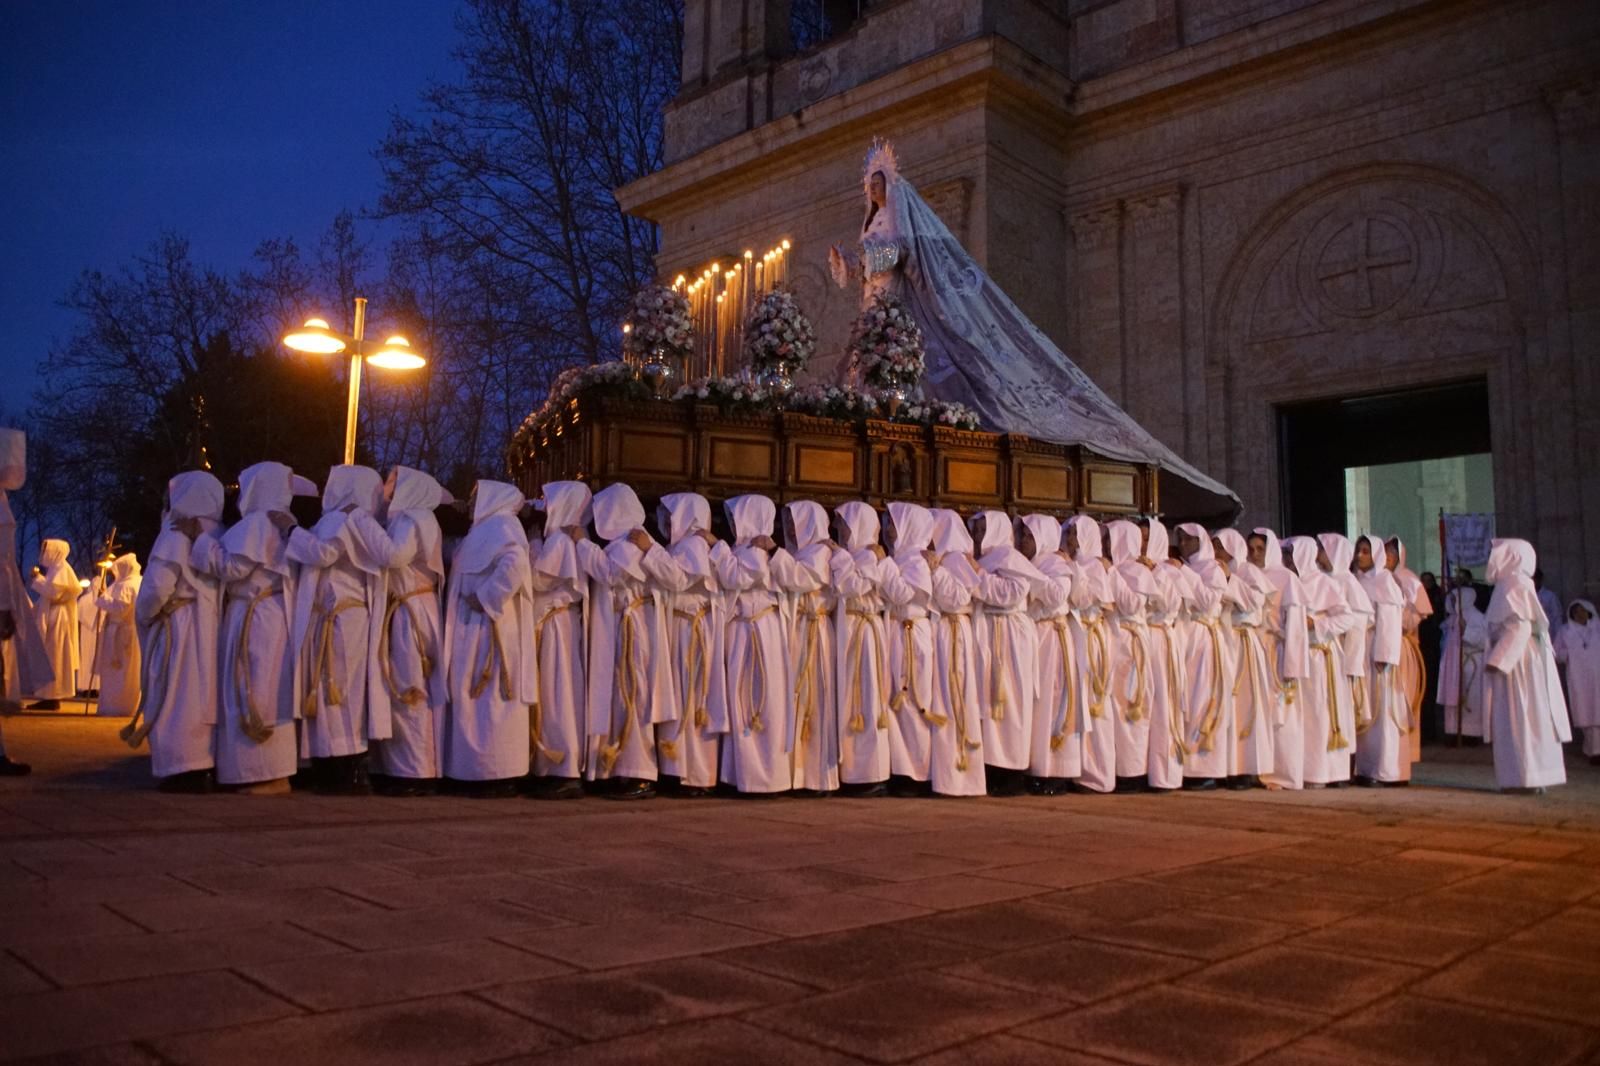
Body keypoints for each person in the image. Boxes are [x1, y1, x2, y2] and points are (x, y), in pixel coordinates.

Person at [189, 461, 301, 794]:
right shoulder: (279, 525)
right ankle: (273, 771)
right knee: (269, 690)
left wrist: (200, 541)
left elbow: (232, 567)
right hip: (269, 616)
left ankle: (258, 773)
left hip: (255, 618)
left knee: (252, 688)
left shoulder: (257, 524)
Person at [577, 482, 688, 799]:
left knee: (634, 695)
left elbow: (611, 574)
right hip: (625, 626)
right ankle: (620, 766)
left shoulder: (633, 541)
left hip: (633, 629)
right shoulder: (628, 541)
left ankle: (638, 772)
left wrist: (583, 545)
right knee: (623, 697)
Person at [287, 465, 390, 794]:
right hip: (342, 616)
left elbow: (324, 554)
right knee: (339, 688)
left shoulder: (342, 521)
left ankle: (339, 766)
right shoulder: (349, 521)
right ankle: (343, 764)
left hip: (341, 617)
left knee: (339, 688)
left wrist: (291, 530)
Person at [126, 471, 224, 792]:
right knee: (204, 697)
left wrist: (145, 615)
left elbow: (156, 588)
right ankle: (205, 764)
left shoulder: (175, 534)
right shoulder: (218, 535)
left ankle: (183, 767)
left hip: (179, 629)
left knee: (178, 696)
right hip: (212, 629)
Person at [444, 480, 538, 795]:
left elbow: (515, 565)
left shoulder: (504, 526)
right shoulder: (485, 529)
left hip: (493, 629)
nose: (471, 503)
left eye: (475, 497)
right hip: (474, 629)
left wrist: (485, 597)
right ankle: (473, 770)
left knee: (494, 698)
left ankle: (498, 773)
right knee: (474, 698)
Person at [367, 467, 451, 795]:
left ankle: (414, 771)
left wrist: (362, 523)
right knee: (406, 687)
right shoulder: (419, 518)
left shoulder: (412, 518)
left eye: (392, 482)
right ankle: (405, 766)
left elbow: (394, 555)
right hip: (412, 606)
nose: (386, 488)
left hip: (410, 610)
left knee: (409, 689)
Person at [654, 492, 729, 796]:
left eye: (670, 515)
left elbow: (677, 581)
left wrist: (649, 552)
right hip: (685, 626)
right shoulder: (682, 546)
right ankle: (682, 770)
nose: (666, 521)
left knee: (693, 697)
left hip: (690, 629)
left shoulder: (692, 546)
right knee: (688, 695)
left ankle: (694, 774)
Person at [770, 500, 845, 795]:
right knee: (796, 700)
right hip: (798, 630)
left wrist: (774, 554)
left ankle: (816, 777)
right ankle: (796, 774)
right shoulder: (797, 553)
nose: (789, 527)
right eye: (786, 520)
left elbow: (801, 579)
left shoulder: (821, 550)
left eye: (795, 520)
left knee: (817, 700)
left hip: (814, 631)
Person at [719, 494, 793, 795]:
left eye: (739, 517)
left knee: (764, 700)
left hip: (760, 630)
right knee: (739, 699)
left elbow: (736, 578)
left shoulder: (758, 552)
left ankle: (769, 776)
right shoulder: (744, 549)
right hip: (742, 629)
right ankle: (743, 774)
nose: (734, 524)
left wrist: (717, 548)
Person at [1484, 539, 1569, 792]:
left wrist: (1498, 661)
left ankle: (1527, 777)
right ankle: (1523, 777)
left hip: (1517, 664)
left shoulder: (1515, 585)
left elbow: (1519, 627)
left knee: (1522, 717)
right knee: (1521, 719)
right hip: (1518, 660)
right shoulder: (1509, 585)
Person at [970, 509, 1045, 796]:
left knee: (1011, 701)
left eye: (983, 530)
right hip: (989, 632)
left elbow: (1010, 593)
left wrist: (976, 577)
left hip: (1010, 635)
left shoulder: (1009, 558)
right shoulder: (981, 560)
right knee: (987, 702)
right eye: (975, 530)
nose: (978, 537)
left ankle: (1011, 769)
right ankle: (990, 766)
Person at [528, 480, 594, 798]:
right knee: (560, 693)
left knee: (558, 695)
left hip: (556, 627)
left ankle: (562, 767)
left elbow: (538, 580)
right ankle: (554, 764)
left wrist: (529, 545)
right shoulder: (565, 540)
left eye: (547, 499)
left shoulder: (558, 543)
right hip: (559, 623)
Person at [879, 502, 940, 795]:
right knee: (895, 699)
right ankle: (901, 768)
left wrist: (885, 565)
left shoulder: (916, 560)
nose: (887, 530)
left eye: (892, 523)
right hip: (897, 633)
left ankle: (918, 771)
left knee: (915, 699)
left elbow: (902, 594)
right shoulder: (901, 558)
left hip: (912, 633)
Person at [832, 500, 893, 795]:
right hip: (849, 629)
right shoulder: (858, 555)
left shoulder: (873, 555)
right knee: (847, 700)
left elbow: (850, 586)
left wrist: (839, 557)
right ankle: (851, 770)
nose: (838, 530)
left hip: (865, 632)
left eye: (844, 524)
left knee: (867, 700)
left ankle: (871, 774)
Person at [1286, 536, 1357, 789]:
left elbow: (1347, 617)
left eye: (1291, 554)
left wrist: (1316, 624)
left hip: (1320, 656)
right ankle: (1305, 769)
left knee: (1320, 714)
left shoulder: (1324, 583)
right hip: (1298, 656)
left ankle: (1327, 772)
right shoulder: (1290, 582)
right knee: (1303, 716)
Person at [1021, 514, 1085, 794]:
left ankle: (1057, 772)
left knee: (1055, 701)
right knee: (1036, 706)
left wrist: (1027, 577)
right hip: (1035, 636)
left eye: (1028, 536)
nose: (1023, 541)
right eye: (1021, 535)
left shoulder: (1056, 563)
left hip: (1053, 638)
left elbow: (1057, 595)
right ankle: (1036, 768)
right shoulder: (1029, 564)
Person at [1175, 523, 1239, 789]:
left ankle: (1206, 768)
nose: (1182, 544)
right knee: (1188, 700)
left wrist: (1185, 575)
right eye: (1180, 539)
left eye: (1188, 539)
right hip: (1188, 637)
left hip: (1205, 639)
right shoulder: (1183, 567)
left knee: (1205, 699)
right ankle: (1188, 766)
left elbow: (1209, 601)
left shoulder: (1212, 568)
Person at [926, 508, 985, 796]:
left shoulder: (955, 560)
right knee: (942, 697)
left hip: (954, 633)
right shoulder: (945, 559)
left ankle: (960, 774)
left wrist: (936, 571)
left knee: (956, 695)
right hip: (943, 632)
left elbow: (957, 597)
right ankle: (944, 773)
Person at [1252, 529, 1309, 790]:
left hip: (1276, 650)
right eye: (1250, 549)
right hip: (1253, 649)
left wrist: (1293, 664)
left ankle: (1284, 772)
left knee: (1282, 716)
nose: (1254, 554)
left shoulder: (1286, 578)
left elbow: (1296, 626)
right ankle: (1258, 768)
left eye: (1259, 549)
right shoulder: (1245, 573)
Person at [1215, 529, 1271, 788]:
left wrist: (1229, 580)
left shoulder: (1248, 572)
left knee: (1247, 706)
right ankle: (1228, 765)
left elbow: (1254, 603)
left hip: (1244, 643)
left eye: (1220, 547)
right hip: (1225, 642)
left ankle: (1248, 767)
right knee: (1226, 706)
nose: (1216, 552)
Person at [1065, 515, 1116, 793]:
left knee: (1096, 708)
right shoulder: (1080, 564)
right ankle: (1080, 770)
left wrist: (1072, 569)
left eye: (1073, 534)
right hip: (1079, 636)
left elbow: (1082, 599)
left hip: (1091, 637)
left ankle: (1098, 775)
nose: (1069, 540)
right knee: (1078, 705)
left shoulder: (1094, 565)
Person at [1104, 520, 1156, 790]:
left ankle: (1133, 773)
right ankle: (1116, 768)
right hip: (1115, 639)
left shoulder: (1138, 571)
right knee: (1114, 708)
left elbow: (1132, 603)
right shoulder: (1113, 568)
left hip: (1132, 643)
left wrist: (1111, 574)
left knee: (1132, 708)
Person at [1353, 536, 1409, 786]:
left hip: (1376, 652)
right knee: (1365, 711)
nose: (1360, 555)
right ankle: (1366, 769)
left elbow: (1389, 623)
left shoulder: (1384, 581)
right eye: (1358, 550)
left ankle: (1385, 770)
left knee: (1382, 711)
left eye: (1365, 551)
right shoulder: (1358, 580)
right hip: (1360, 650)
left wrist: (1384, 655)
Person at [1316, 534, 1370, 787]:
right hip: (1324, 655)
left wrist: (1351, 662)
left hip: (1340, 657)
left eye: (1323, 550)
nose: (1319, 555)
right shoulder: (1321, 579)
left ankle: (1343, 768)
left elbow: (1357, 625)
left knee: (1342, 713)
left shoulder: (1348, 582)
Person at [1143, 520, 1188, 792]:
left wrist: (1155, 572)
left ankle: (1165, 774)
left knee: (1163, 708)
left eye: (1146, 539)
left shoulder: (1170, 570)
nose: (1141, 544)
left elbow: (1171, 602)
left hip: (1161, 639)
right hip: (1141, 638)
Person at [1386, 537, 1433, 763]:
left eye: (1388, 553)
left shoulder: (1409, 580)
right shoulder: (1377, 579)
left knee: (1403, 699)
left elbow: (1416, 616)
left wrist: (1396, 618)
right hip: (1380, 646)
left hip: (1402, 647)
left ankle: (1406, 754)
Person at [25, 539, 78, 710]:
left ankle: (52, 696)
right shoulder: (56, 569)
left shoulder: (62, 569)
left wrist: (37, 578)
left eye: (47, 549)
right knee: (51, 654)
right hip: (53, 614)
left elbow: (53, 593)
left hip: (58, 617)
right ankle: (48, 695)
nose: (44, 553)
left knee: (54, 655)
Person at [91, 554, 141, 717]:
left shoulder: (128, 585)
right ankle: (121, 705)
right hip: (127, 631)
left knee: (120, 672)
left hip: (121, 633)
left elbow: (120, 607)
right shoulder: (138, 582)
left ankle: (117, 706)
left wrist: (101, 598)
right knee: (127, 672)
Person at [1439, 585, 1489, 743]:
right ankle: (1453, 732)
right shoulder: (1453, 618)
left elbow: (1484, 640)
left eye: (1456, 599)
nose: (1453, 602)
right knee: (1454, 697)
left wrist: (1465, 629)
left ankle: (1471, 734)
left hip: (1471, 661)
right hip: (1454, 663)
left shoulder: (1478, 617)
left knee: (1471, 698)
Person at [1554, 600, 1600, 763]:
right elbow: (1557, 652)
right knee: (1586, 713)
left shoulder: (1598, 628)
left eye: (1582, 610)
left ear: (1589, 611)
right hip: (1578, 678)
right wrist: (1569, 654)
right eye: (1576, 612)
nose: (1579, 614)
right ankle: (1592, 750)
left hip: (1598, 678)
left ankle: (1595, 752)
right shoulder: (1565, 631)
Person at [1534, 568, 1563, 638]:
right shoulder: (1525, 595)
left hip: (1548, 634)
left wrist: (1558, 637)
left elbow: (1557, 618)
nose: (1533, 581)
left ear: (1540, 579)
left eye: (1535, 579)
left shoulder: (1550, 596)